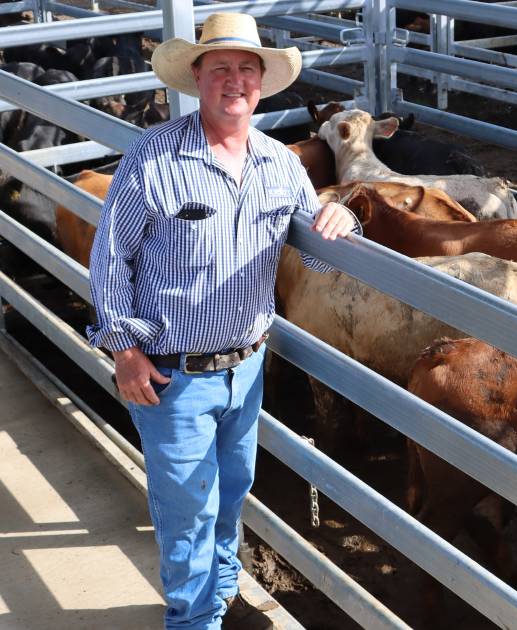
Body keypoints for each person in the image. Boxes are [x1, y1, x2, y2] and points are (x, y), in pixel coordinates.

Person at [86, 13, 357, 629]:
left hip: (248, 364)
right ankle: (193, 620)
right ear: (197, 78)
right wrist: (124, 350)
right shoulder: (153, 157)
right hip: (172, 375)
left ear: (261, 82)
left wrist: (341, 225)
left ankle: (223, 593)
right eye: (220, 69)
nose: (234, 81)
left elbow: (314, 248)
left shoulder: (279, 163)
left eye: (245, 69)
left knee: (232, 491)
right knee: (188, 510)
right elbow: (111, 259)